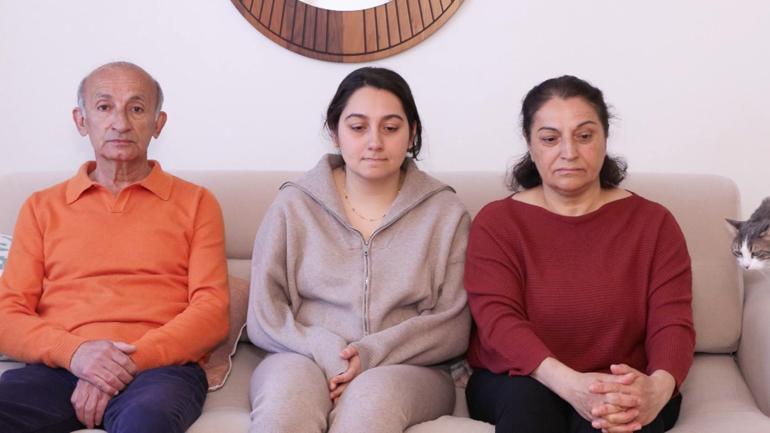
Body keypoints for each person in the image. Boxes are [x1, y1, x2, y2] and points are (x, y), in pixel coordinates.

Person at [0, 61, 229, 433]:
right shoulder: (41, 207)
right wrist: (77, 354)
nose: (120, 123)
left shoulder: (197, 203)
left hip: (158, 370)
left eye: (136, 108)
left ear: (158, 123)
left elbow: (212, 312)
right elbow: (7, 314)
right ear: (81, 120)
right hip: (60, 366)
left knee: (146, 422)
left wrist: (119, 365)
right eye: (104, 107)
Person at [464, 75, 695, 433]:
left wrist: (658, 389)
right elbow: (498, 321)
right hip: (522, 378)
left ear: (605, 138)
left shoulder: (654, 222)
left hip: (619, 379)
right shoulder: (497, 222)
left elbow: (673, 321)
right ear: (529, 143)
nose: (569, 152)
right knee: (528, 409)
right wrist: (572, 386)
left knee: (617, 420)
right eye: (550, 138)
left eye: (584, 136)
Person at [247, 67, 471, 433]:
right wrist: (326, 348)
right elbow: (264, 313)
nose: (374, 142)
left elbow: (453, 324)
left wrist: (368, 355)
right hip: (302, 356)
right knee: (284, 412)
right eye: (357, 127)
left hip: (410, 368)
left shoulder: (445, 213)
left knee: (370, 407)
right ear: (334, 132)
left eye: (391, 127)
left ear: (412, 133)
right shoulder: (294, 205)